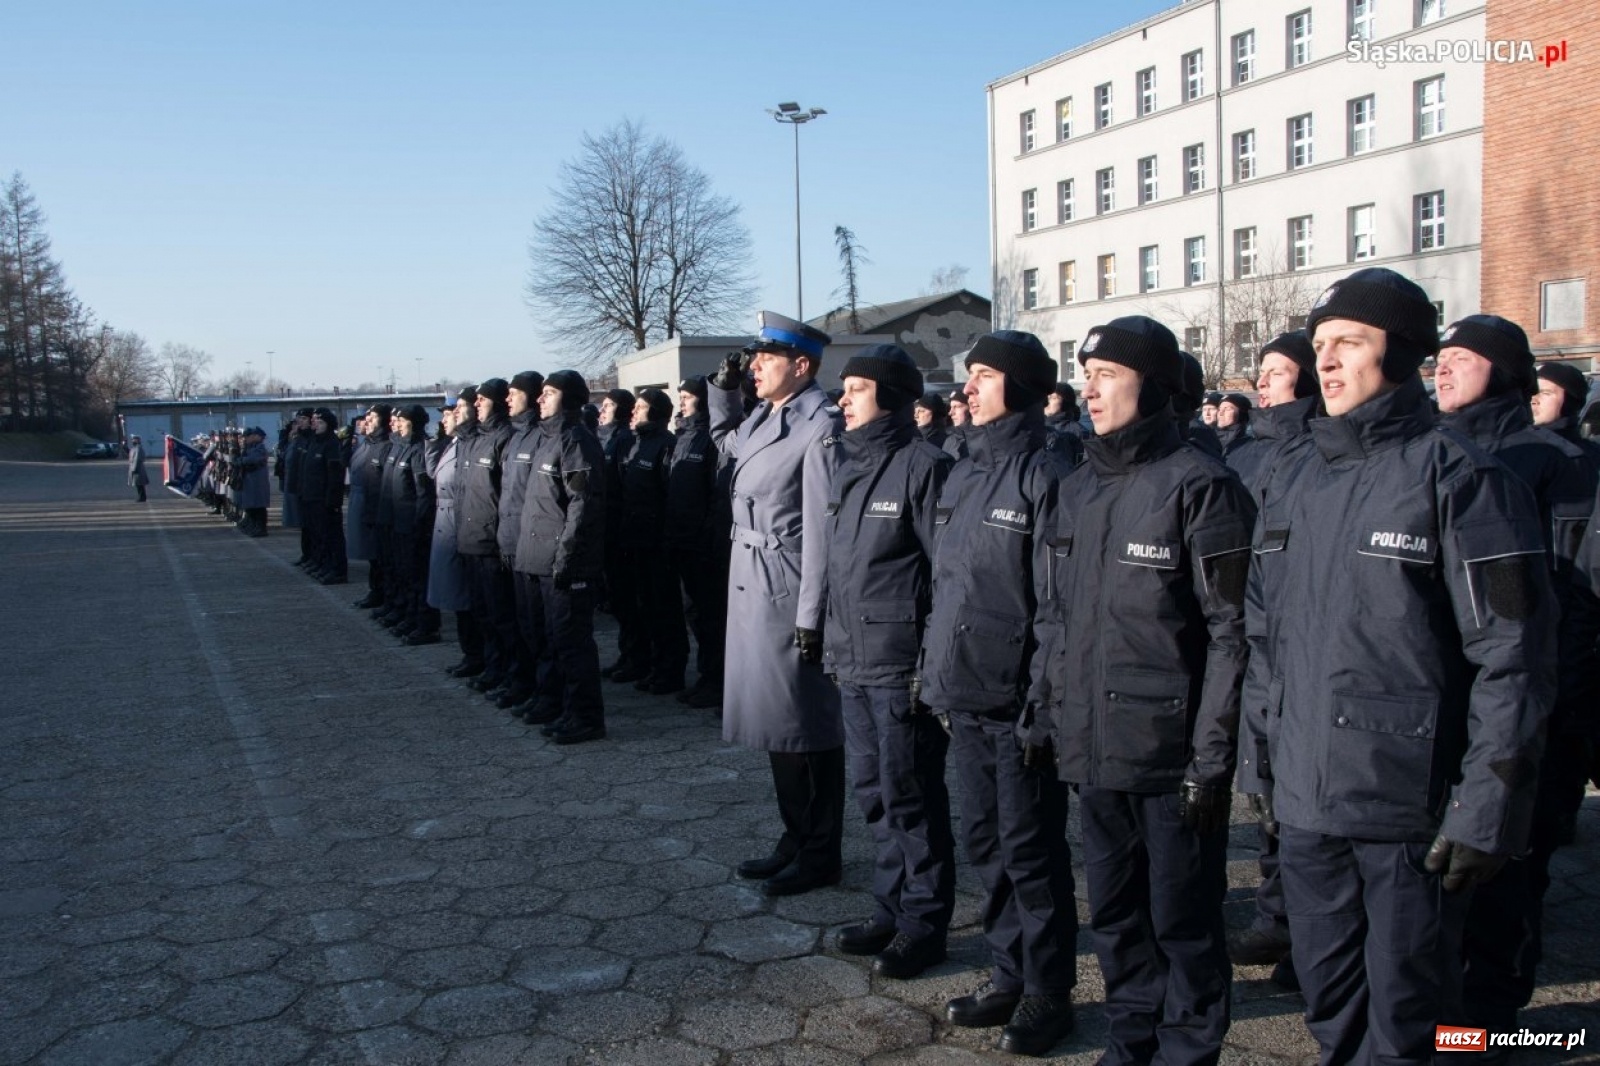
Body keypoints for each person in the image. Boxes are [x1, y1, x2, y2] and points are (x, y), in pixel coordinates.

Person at [1242, 268, 1557, 1065]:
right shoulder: (1293, 476)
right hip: (1308, 803)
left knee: (1412, 1016)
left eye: (1350, 342)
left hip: (1408, 812)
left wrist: (1489, 805)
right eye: (1320, 345)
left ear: (1404, 353)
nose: (1326, 361)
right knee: (1329, 1001)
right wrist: (1261, 760)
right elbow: (1264, 633)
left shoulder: (1463, 479)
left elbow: (1514, 657)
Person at [1037, 316, 1256, 1066]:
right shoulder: (1075, 488)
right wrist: (1047, 711)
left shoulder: (1202, 486)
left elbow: (1232, 633)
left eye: (1107, 375)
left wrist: (1210, 761)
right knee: (1117, 913)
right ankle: (1130, 1040)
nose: (1089, 389)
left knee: (1183, 919)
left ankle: (1187, 1049)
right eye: (1086, 375)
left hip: (1169, 757)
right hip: (1093, 747)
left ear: (1153, 386)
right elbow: (1056, 617)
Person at [1431, 314, 1595, 1037]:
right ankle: (1442, 1020)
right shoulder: (1430, 453)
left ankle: (1490, 1028)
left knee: (1505, 879)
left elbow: (1575, 594)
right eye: (1440, 357)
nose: (1443, 368)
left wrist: (1561, 712)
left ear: (1502, 371)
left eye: (1462, 358)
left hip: (1527, 698)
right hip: (1446, 700)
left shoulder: (1556, 462)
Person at [918, 330, 1078, 1057]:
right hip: (966, 694)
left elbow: (1057, 607)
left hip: (1018, 703)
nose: (967, 389)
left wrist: (1040, 702)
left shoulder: (1047, 474)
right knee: (985, 840)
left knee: (1030, 849)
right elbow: (945, 587)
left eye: (982, 376)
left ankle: (1048, 989)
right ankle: (1009, 972)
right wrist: (934, 674)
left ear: (1017, 385)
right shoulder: (962, 473)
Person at [822, 344, 956, 980]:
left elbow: (946, 576)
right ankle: (890, 907)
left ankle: (924, 925)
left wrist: (929, 665)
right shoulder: (848, 464)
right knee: (873, 793)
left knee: (912, 796)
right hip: (853, 659)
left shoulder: (926, 467)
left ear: (892, 397)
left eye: (856, 389)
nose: (843, 400)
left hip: (900, 666)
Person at [707, 311, 846, 898]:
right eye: (754, 359)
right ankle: (795, 836)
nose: (754, 368)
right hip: (753, 584)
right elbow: (725, 445)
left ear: (802, 365)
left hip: (787, 589)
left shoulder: (820, 427)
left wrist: (811, 616)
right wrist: (722, 392)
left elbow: (823, 534)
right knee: (776, 727)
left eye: (766, 359)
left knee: (806, 725)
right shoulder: (766, 416)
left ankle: (821, 852)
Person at [1226, 330, 1320, 984]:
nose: (1262, 382)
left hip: (1297, 648)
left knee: (1303, 807)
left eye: (1278, 371)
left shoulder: (1315, 454)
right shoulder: (1248, 455)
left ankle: (1301, 934)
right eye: (1261, 371)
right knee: (1267, 796)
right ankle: (1280, 919)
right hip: (1251, 641)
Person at [515, 370, 607, 743]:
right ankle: (556, 704)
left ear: (568, 399)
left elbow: (582, 507)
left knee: (571, 643)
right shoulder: (545, 439)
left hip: (564, 563)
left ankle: (585, 717)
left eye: (549, 393)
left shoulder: (577, 441)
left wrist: (566, 558)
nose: (540, 399)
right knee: (546, 639)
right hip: (536, 559)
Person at [620, 387, 689, 694]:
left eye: (640, 407)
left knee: (665, 609)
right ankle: (653, 665)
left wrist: (666, 540)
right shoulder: (637, 444)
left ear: (656, 413)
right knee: (645, 606)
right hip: (636, 541)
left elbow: (670, 497)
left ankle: (671, 671)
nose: (634, 412)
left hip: (658, 543)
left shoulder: (666, 445)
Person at [666, 376, 727, 708]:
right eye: (681, 396)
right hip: (682, 541)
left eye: (688, 397)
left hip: (704, 546)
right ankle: (706, 676)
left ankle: (718, 682)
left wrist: (707, 537)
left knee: (711, 617)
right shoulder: (683, 437)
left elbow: (717, 494)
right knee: (695, 614)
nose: (682, 402)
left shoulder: (711, 439)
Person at [457, 379, 518, 696]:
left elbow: (506, 496)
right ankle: (493, 667)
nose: (477, 404)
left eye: (483, 399)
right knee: (483, 613)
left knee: (502, 615)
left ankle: (510, 673)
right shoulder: (476, 440)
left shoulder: (504, 438)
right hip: (471, 539)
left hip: (492, 543)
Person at [497, 371, 546, 712]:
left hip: (531, 545)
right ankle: (524, 683)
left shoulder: (541, 437)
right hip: (510, 540)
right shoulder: (516, 438)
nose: (508, 399)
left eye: (514, 393)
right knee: (520, 623)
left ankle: (542, 692)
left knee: (539, 629)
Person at [432, 391, 485, 670]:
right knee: (457, 592)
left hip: (463, 521)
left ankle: (476, 655)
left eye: (456, 409)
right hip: (449, 521)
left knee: (466, 594)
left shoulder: (471, 443)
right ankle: (471, 653)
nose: (447, 418)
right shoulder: (453, 442)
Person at [596, 388, 640, 679]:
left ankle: (636, 657)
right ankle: (627, 654)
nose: (602, 411)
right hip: (608, 530)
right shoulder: (605, 439)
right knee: (619, 600)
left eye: (608, 405)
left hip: (621, 532)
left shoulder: (624, 440)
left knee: (628, 600)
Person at [350, 405, 393, 612]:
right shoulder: (368, 443)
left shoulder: (386, 445)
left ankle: (382, 593)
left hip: (379, 505)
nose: (367, 421)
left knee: (381, 555)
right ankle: (376, 590)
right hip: (366, 502)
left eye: (373, 417)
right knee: (372, 553)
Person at [298, 408, 347, 584]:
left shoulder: (331, 444)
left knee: (331, 536)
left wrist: (332, 501)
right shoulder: (315, 442)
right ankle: (322, 564)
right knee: (318, 535)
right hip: (311, 497)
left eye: (321, 422)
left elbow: (335, 475)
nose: (316, 425)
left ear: (329, 424)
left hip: (324, 500)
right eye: (315, 422)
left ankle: (337, 570)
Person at [236, 427, 272, 536]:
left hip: (257, 482)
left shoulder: (260, 448)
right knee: (251, 506)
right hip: (251, 481)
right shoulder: (251, 447)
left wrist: (241, 461)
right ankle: (253, 525)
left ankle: (261, 528)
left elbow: (252, 459)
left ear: (257, 437)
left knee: (258, 507)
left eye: (249, 436)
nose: (246, 439)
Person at [1043, 382, 1085, 467]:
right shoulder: (1037, 426)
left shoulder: (1077, 431)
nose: (1047, 401)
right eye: (1047, 397)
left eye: (1053, 398)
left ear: (1066, 401)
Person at [1215, 393, 1257, 470]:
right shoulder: (1209, 439)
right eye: (1219, 409)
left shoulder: (1250, 446)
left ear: (1242, 414)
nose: (1221, 413)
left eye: (1227, 409)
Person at [944, 388, 972, 460]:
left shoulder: (982, 439)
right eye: (951, 407)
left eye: (957, 407)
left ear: (971, 408)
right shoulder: (950, 440)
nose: (950, 413)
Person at [127, 435, 149, 502]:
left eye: (134, 439)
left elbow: (137, 459)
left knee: (139, 484)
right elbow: (130, 453)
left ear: (137, 440)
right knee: (138, 484)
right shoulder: (135, 448)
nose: (132, 441)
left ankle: (142, 497)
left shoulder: (138, 448)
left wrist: (134, 469)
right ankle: (142, 497)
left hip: (138, 468)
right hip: (136, 467)